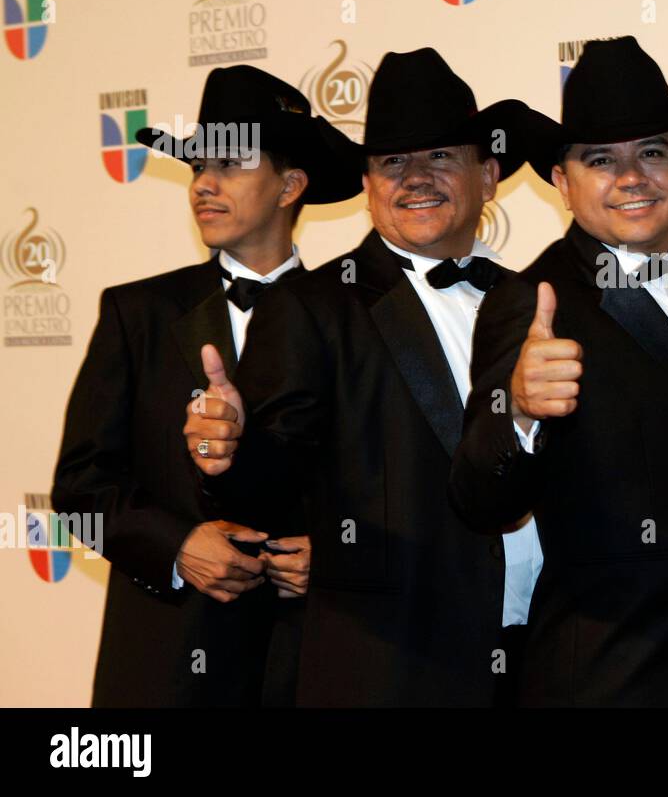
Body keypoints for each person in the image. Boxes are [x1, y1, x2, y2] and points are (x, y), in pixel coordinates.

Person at [185, 48, 546, 706]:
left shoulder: (540, 304)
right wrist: (229, 450)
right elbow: (271, 483)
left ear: (488, 175)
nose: (416, 178)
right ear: (369, 183)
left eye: (441, 156)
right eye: (392, 162)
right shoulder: (312, 307)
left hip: (542, 658)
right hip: (393, 666)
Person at [450, 37, 668, 706]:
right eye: (601, 159)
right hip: (621, 675)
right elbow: (479, 497)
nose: (632, 177)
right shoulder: (533, 300)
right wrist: (517, 412)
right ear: (562, 181)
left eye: (653, 153)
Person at [51, 65, 357, 706]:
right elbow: (79, 489)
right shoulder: (138, 314)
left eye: (230, 164)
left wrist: (337, 556)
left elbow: (387, 487)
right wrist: (178, 545)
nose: (204, 185)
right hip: (168, 666)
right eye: (197, 167)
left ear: (290, 186)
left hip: (312, 662)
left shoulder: (354, 318)